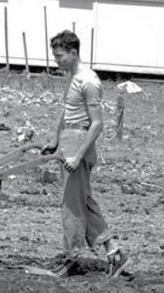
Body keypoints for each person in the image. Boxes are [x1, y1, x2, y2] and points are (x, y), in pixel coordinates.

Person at [41, 30, 129, 278]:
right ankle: (114, 252)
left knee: (71, 205)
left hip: (79, 142)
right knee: (83, 201)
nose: (56, 60)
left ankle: (73, 258)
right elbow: (68, 112)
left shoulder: (88, 81)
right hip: (69, 140)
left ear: (73, 52)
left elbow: (97, 123)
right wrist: (55, 140)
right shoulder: (72, 77)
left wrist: (77, 156)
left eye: (59, 56)